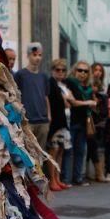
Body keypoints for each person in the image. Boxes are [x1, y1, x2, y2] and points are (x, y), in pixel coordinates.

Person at [65, 60, 97, 186]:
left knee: (81, 151)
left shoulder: (88, 88)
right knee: (68, 151)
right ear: (74, 71)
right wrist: (88, 103)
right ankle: (66, 179)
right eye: (80, 70)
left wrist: (93, 104)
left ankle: (78, 177)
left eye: (85, 71)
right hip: (71, 120)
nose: (82, 73)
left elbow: (94, 104)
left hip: (84, 122)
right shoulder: (70, 83)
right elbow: (72, 101)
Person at [14, 42, 51, 149]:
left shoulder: (43, 76)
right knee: (28, 153)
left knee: (40, 153)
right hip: (27, 121)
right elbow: (15, 97)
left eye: (40, 55)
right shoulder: (20, 75)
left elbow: (46, 96)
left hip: (42, 121)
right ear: (28, 55)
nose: (37, 58)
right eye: (34, 55)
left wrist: (49, 116)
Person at [46, 59, 72, 191]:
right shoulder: (51, 82)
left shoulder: (64, 85)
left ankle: (58, 178)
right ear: (53, 70)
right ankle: (52, 180)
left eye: (63, 70)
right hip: (56, 122)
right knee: (54, 151)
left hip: (65, 122)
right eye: (58, 69)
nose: (60, 72)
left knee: (61, 151)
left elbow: (69, 102)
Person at [86, 62, 107, 182]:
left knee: (97, 147)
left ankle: (97, 172)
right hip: (89, 121)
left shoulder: (102, 87)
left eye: (100, 70)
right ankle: (98, 173)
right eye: (95, 70)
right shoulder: (87, 85)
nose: (97, 72)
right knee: (92, 147)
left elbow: (103, 107)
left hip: (100, 122)